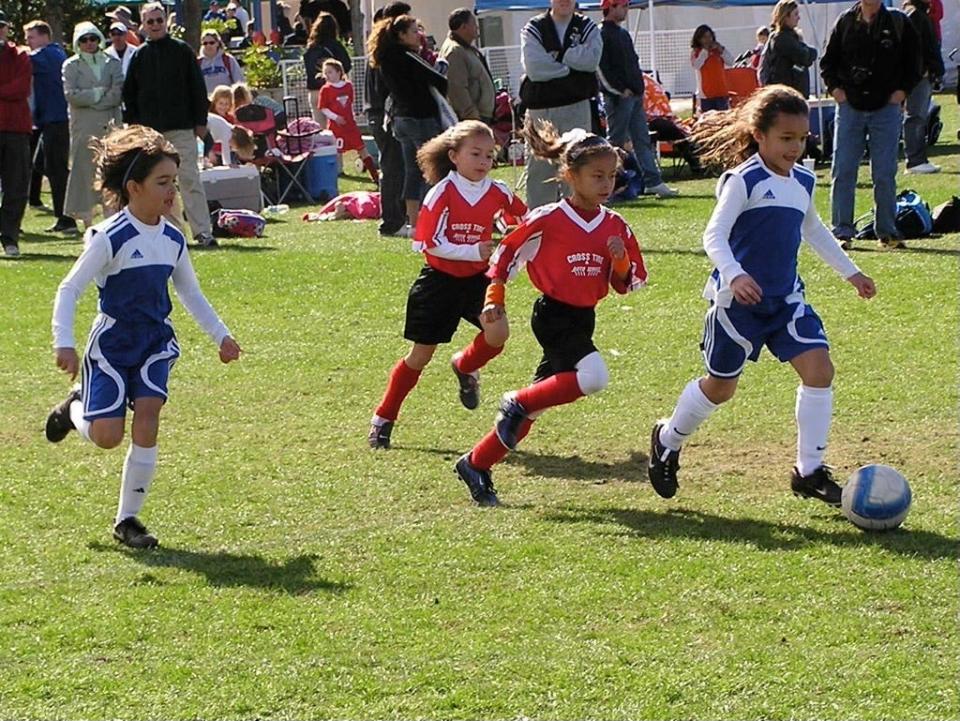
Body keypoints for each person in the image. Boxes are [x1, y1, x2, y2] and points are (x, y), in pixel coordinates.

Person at [647, 86, 876, 507]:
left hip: (786, 301)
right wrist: (734, 276)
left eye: (802, 138)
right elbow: (713, 235)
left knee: (820, 370)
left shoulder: (804, 180)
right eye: (786, 138)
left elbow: (814, 231)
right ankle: (667, 438)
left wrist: (852, 272)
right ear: (759, 134)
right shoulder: (743, 180)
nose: (795, 147)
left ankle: (808, 472)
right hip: (739, 307)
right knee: (720, 388)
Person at [44, 124, 241, 549]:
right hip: (112, 348)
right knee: (107, 438)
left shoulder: (173, 237)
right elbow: (69, 288)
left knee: (149, 418)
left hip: (155, 344)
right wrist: (65, 341)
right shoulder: (107, 237)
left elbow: (189, 291)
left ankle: (127, 520)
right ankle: (74, 408)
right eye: (162, 183)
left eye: (174, 182)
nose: (172, 192)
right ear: (134, 187)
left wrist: (221, 335)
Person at [455, 119, 647, 506]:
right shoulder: (548, 218)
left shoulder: (616, 225)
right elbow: (505, 255)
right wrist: (494, 298)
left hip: (583, 317)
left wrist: (621, 261)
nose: (607, 184)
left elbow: (625, 284)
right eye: (597, 175)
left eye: (612, 176)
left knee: (534, 412)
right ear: (569, 175)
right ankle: (516, 401)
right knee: (593, 377)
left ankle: (476, 463)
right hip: (553, 316)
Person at [369, 120, 526, 450]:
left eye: (489, 155)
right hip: (439, 283)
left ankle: (465, 366)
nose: (483, 161)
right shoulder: (441, 192)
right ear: (454, 156)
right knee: (420, 356)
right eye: (475, 154)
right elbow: (427, 241)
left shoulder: (498, 190)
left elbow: (524, 220)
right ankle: (383, 417)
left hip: (477, 281)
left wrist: (515, 236)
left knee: (498, 334)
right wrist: (472, 249)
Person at [821, 0, 920, 248]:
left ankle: (886, 231)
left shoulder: (898, 22)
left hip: (886, 107)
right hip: (850, 106)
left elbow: (915, 62)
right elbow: (828, 62)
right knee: (843, 169)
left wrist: (902, 92)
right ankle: (842, 231)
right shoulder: (845, 22)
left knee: (884, 172)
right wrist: (836, 91)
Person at [123, 2, 217, 248]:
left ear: (166, 21)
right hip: (149, 133)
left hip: (181, 127)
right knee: (158, 184)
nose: (155, 25)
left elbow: (197, 88)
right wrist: (134, 130)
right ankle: (173, 233)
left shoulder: (182, 50)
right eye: (150, 21)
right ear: (143, 24)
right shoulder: (138, 55)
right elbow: (129, 95)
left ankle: (203, 232)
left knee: (189, 179)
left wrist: (200, 122)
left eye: (159, 20)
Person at [519, 0, 602, 209]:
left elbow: (591, 60)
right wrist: (570, 68)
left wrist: (561, 54)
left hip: (577, 106)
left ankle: (578, 221)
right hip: (541, 109)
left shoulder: (587, 27)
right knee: (539, 170)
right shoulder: (534, 28)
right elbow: (535, 68)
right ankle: (537, 224)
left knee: (578, 165)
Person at [368, 13, 447, 229]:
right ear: (401, 35)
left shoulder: (384, 58)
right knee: (432, 169)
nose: (418, 35)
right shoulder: (406, 56)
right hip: (419, 117)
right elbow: (438, 80)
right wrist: (441, 67)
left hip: (400, 119)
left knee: (411, 171)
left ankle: (414, 222)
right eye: (414, 31)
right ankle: (433, 219)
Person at [598, 0, 678, 198]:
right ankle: (612, 185)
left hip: (634, 95)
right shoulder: (601, 34)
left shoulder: (623, 34)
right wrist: (617, 90)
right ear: (611, 7)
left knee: (642, 140)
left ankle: (653, 182)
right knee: (615, 142)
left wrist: (638, 88)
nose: (626, 10)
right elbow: (600, 67)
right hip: (618, 98)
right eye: (622, 6)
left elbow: (633, 63)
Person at [62, 22, 124, 229]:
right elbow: (71, 95)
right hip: (83, 126)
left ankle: (111, 218)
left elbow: (117, 92)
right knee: (84, 171)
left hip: (110, 124)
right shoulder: (70, 65)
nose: (89, 43)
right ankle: (88, 223)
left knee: (110, 171)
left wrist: (97, 100)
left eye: (93, 38)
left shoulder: (112, 62)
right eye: (84, 39)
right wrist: (98, 93)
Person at [25, 20, 78, 236]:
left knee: (56, 170)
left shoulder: (49, 55)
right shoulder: (52, 53)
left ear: (44, 36)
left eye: (31, 37)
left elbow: (21, 60)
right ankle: (66, 213)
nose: (27, 42)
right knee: (42, 164)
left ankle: (67, 219)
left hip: (57, 120)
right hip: (49, 120)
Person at [364, 2, 411, 238]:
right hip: (384, 114)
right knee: (393, 168)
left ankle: (398, 218)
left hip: (377, 112)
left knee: (394, 167)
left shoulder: (378, 47)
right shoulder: (386, 51)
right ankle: (392, 222)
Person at [0, 10, 33, 258]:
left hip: (16, 130)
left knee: (16, 186)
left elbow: (20, 88)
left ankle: (10, 237)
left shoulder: (20, 55)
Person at [317, 59, 379, 184]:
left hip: (350, 125)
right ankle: (334, 176)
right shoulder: (325, 89)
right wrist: (335, 117)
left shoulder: (348, 86)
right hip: (336, 126)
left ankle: (375, 175)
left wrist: (352, 115)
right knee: (336, 151)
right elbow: (323, 108)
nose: (327, 75)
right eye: (325, 73)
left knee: (362, 148)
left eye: (330, 72)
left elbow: (349, 103)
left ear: (339, 72)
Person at [902, 0, 945, 174]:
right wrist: (923, 70)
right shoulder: (915, 16)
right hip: (920, 75)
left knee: (918, 116)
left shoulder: (919, 14)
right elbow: (914, 49)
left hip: (923, 73)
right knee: (915, 117)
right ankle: (915, 160)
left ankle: (917, 159)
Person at [438, 8, 496, 124]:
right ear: (463, 27)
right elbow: (457, 88)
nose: (477, 28)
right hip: (472, 119)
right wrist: (472, 116)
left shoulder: (465, 48)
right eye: (474, 24)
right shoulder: (455, 51)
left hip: (480, 116)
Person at [642, 73, 704, 175]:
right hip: (647, 122)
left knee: (675, 128)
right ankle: (694, 159)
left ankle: (695, 158)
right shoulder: (637, 81)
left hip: (661, 118)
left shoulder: (646, 80)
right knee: (669, 128)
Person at [758, 1, 817, 97]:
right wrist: (811, 52)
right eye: (795, 14)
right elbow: (804, 56)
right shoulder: (781, 38)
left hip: (791, 94)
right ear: (786, 16)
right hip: (786, 96)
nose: (799, 17)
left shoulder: (790, 37)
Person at [303, 12, 351, 125]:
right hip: (334, 91)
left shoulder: (311, 47)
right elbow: (347, 65)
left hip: (314, 90)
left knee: (320, 127)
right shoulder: (335, 46)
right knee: (336, 127)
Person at [690, 25, 734, 112]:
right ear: (698, 39)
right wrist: (705, 51)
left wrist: (721, 50)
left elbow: (731, 62)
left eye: (710, 36)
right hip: (706, 94)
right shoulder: (696, 52)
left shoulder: (718, 50)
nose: (708, 40)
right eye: (704, 37)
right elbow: (696, 65)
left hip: (721, 92)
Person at [198, 30, 244, 95]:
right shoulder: (198, 63)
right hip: (206, 101)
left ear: (217, 43)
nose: (208, 46)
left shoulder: (228, 60)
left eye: (211, 43)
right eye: (205, 43)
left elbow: (239, 82)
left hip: (226, 101)